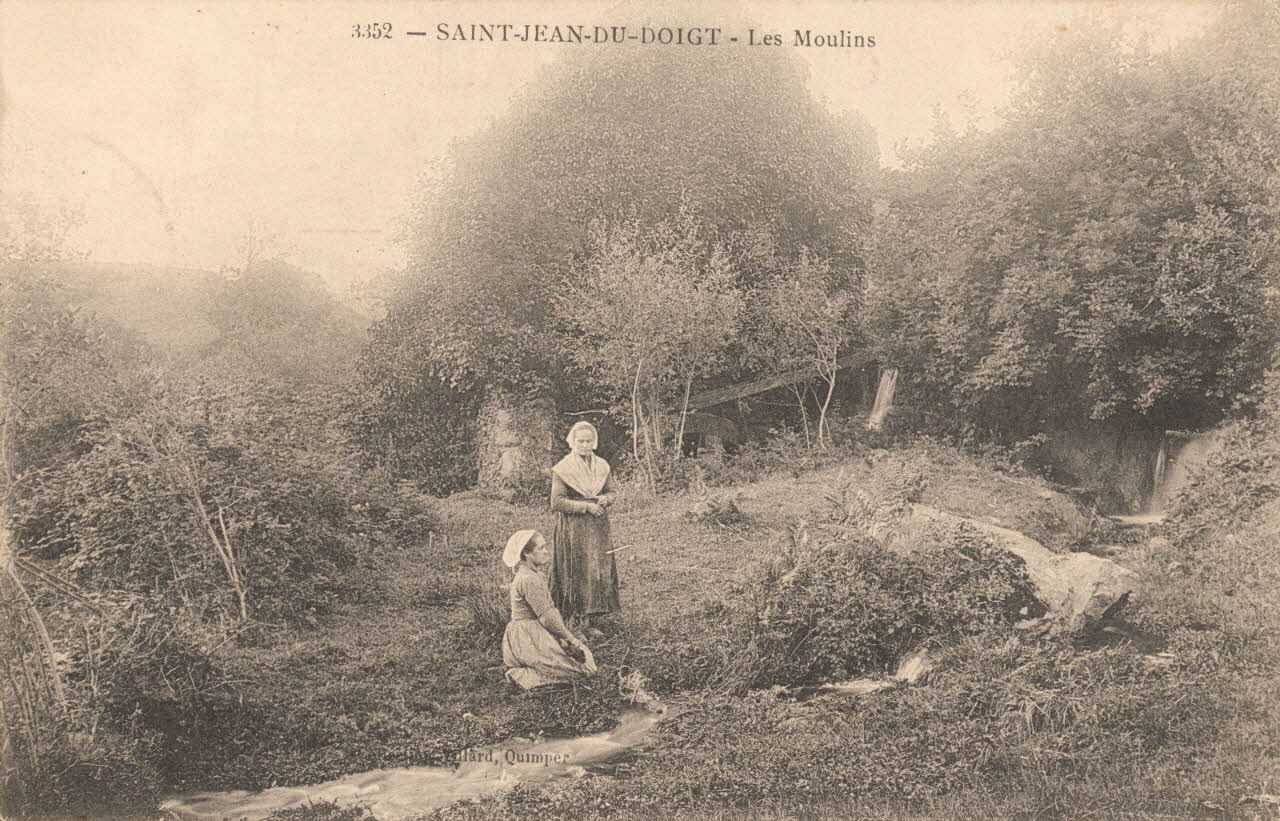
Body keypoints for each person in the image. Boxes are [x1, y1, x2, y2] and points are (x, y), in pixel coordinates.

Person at [501, 529, 596, 691]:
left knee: (582, 664)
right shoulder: (530, 579)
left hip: (527, 633)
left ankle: (526, 668)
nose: (546, 552)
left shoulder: (531, 574)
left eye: (546, 547)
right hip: (527, 637)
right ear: (527, 553)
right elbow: (547, 617)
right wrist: (570, 638)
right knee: (584, 671)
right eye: (541, 548)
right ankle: (520, 675)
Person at [549, 421, 620, 636]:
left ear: (594, 442)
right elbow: (557, 502)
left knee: (596, 566)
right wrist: (586, 507)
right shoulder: (563, 469)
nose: (585, 445)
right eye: (580, 441)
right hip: (574, 526)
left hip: (597, 526)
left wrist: (607, 499)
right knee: (576, 567)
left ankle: (593, 614)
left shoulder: (602, 466)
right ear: (572, 442)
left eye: (589, 441)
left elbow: (612, 491)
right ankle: (576, 619)